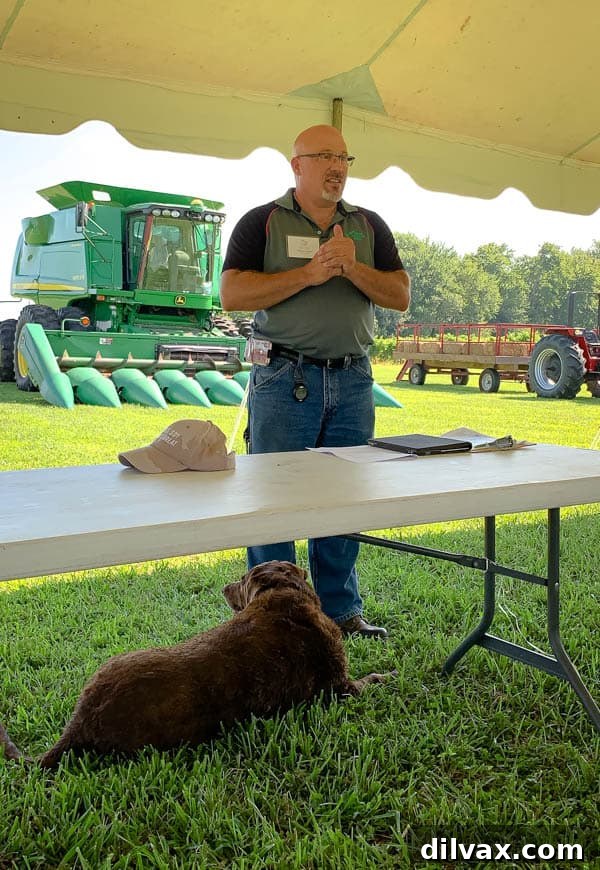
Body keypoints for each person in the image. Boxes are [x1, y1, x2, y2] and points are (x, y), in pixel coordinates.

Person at [220, 124, 410, 638]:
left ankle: (341, 613)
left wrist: (352, 269)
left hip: (352, 381)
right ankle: (273, 621)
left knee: (344, 499)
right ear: (296, 165)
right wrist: (309, 274)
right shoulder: (261, 222)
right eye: (325, 156)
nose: (338, 167)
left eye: (344, 157)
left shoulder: (368, 226)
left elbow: (399, 295)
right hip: (284, 377)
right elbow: (232, 294)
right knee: (273, 499)